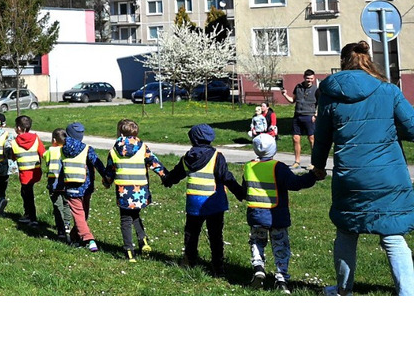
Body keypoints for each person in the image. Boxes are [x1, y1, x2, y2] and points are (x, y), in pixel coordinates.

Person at [312, 41, 414, 296]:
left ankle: (343, 290)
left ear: (343, 61)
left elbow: (322, 136)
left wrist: (318, 165)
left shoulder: (330, 95)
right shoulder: (388, 91)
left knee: (347, 232)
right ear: (369, 60)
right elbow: (412, 128)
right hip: (388, 175)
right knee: (392, 235)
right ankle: (407, 295)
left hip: (351, 175)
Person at [162, 124, 244, 276]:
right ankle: (218, 267)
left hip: (194, 203)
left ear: (193, 139)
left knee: (191, 233)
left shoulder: (188, 157)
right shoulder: (216, 156)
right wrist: (239, 192)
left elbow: (176, 174)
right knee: (215, 235)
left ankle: (189, 260)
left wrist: (167, 180)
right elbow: (226, 177)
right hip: (214, 203)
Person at [241, 134, 318, 293]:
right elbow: (295, 184)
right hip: (277, 215)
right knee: (280, 246)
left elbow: (245, 189)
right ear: (273, 149)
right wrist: (313, 176)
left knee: (257, 241)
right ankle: (281, 279)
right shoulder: (278, 167)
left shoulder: (248, 166)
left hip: (256, 214)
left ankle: (258, 267)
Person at [101, 118, 167, 262]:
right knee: (135, 214)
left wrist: (106, 182)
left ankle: (129, 251)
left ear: (120, 133)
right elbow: (155, 163)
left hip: (123, 190)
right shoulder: (143, 147)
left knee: (125, 219)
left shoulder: (114, 151)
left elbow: (109, 172)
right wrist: (166, 177)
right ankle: (142, 240)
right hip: (140, 189)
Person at [52, 122, 106, 252]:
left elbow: (60, 169)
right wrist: (107, 177)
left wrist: (56, 185)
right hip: (86, 186)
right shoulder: (87, 149)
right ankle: (89, 239)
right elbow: (98, 164)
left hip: (70, 185)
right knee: (82, 214)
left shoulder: (62, 149)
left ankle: (74, 237)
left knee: (80, 214)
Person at [12, 114, 46, 224]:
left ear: (18, 128)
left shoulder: (14, 142)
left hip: (25, 174)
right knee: (27, 193)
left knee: (27, 195)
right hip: (35, 172)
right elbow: (43, 153)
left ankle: (31, 217)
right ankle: (29, 215)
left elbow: (13, 157)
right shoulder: (36, 139)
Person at [282, 69, 319, 168]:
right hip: (297, 116)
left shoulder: (316, 90)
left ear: (314, 78)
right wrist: (285, 94)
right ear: (304, 77)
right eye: (308, 78)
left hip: (309, 116)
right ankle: (297, 162)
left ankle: (314, 163)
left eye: (311, 78)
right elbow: (292, 100)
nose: (309, 80)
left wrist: (315, 114)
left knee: (312, 139)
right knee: (295, 138)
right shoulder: (298, 87)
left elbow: (320, 104)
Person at [43, 128, 72, 241]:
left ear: (54, 140)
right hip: (66, 181)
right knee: (66, 203)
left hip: (53, 182)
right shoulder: (67, 150)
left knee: (57, 205)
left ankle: (60, 230)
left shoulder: (50, 151)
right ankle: (67, 225)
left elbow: (45, 157)